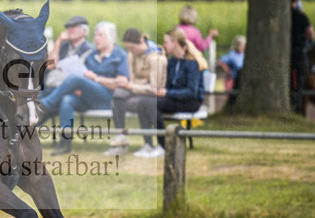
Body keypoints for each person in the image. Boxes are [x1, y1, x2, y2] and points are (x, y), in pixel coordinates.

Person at [36, 21, 129, 155]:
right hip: (87, 97)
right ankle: (65, 143)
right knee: (67, 100)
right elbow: (79, 76)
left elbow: (122, 83)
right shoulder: (91, 56)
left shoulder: (120, 55)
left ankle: (45, 104)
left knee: (76, 78)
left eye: (100, 35)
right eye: (95, 35)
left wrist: (96, 78)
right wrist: (80, 85)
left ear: (111, 37)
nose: (96, 38)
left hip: (107, 98)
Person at [133, 28, 206, 158]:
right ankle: (148, 145)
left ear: (175, 43)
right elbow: (168, 84)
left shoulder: (192, 63)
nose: (164, 45)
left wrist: (166, 93)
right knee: (143, 102)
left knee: (151, 104)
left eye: (166, 42)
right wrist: (157, 91)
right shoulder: (172, 61)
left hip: (190, 102)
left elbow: (191, 92)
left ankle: (163, 146)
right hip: (174, 97)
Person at [107, 28, 167, 156]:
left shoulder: (156, 58)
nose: (129, 52)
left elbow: (154, 87)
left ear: (141, 42)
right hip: (138, 90)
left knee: (143, 104)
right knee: (117, 95)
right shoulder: (131, 55)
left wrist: (131, 85)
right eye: (127, 48)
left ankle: (152, 144)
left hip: (154, 94)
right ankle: (121, 136)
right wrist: (130, 85)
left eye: (132, 48)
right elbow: (132, 79)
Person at [45, 15, 95, 88]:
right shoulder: (63, 46)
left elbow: (78, 73)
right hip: (54, 83)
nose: (70, 30)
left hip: (73, 88)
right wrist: (59, 41)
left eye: (74, 27)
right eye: (69, 27)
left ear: (84, 31)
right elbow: (50, 66)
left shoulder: (89, 49)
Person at [290, 0, 314, 114]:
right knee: (297, 84)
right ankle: (297, 110)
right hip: (298, 55)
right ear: (296, 0)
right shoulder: (301, 16)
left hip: (286, 55)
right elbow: (311, 35)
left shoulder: (281, 16)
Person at [218, 34, 246, 104]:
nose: (242, 47)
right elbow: (221, 61)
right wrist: (227, 70)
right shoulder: (232, 54)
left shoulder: (244, 55)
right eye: (241, 45)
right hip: (232, 80)